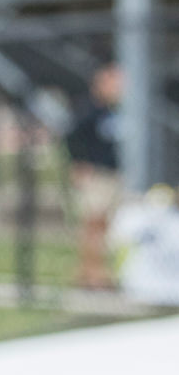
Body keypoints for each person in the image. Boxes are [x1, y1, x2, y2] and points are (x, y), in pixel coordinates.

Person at [65, 63, 123, 289]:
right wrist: (79, 165)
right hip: (97, 176)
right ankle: (90, 273)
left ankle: (99, 272)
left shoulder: (119, 110)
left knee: (106, 226)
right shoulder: (88, 109)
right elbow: (72, 138)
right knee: (93, 224)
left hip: (114, 174)